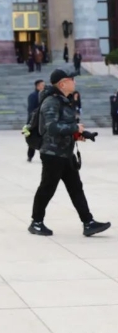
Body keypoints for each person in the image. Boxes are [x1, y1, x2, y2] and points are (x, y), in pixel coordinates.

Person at [29, 68, 110, 237]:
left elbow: (63, 126)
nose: (75, 82)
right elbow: (51, 127)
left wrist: (82, 134)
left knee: (76, 188)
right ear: (62, 84)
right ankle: (36, 222)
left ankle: (88, 223)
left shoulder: (64, 100)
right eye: (72, 79)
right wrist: (74, 128)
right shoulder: (51, 101)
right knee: (47, 188)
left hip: (65, 153)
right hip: (52, 154)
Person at [26, 79, 45, 162]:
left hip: (43, 121)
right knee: (33, 138)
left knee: (43, 139)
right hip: (34, 121)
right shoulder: (33, 96)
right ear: (38, 86)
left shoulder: (44, 95)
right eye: (42, 85)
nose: (44, 86)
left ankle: (43, 156)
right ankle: (30, 155)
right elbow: (31, 110)